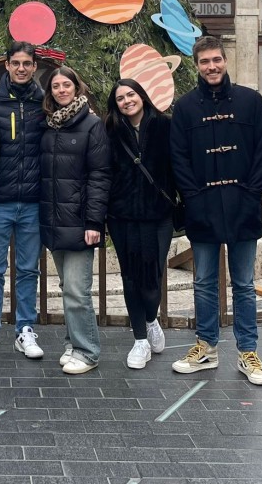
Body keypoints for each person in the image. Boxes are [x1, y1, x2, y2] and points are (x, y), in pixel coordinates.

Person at [170, 36, 262, 386]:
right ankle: (206, 345)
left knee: (244, 283)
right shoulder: (185, 108)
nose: (211, 67)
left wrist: (250, 193)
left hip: (243, 205)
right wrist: (194, 198)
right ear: (196, 65)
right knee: (203, 282)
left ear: (225, 60)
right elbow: (179, 159)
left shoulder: (250, 101)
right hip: (203, 207)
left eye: (216, 60)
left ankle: (248, 351)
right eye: (204, 62)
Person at [0, 41, 46, 362]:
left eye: (26, 64)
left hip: (33, 201)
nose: (21, 68)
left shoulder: (45, 102)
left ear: (34, 66)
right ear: (6, 64)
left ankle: (25, 328)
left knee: (28, 269)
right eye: (15, 63)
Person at [39, 65, 111, 375]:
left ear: (76, 87)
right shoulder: (48, 125)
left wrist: (94, 222)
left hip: (81, 222)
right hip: (54, 221)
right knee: (67, 285)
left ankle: (88, 350)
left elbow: (100, 175)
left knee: (78, 291)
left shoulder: (92, 124)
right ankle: (72, 342)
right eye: (55, 86)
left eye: (66, 84)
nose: (61, 90)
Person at [105, 78, 175, 369]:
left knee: (152, 274)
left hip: (158, 213)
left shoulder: (164, 126)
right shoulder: (111, 131)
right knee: (131, 277)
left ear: (142, 96)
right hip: (123, 215)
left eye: (131, 94)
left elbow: (178, 164)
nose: (127, 101)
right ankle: (140, 340)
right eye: (120, 98)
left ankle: (150, 318)